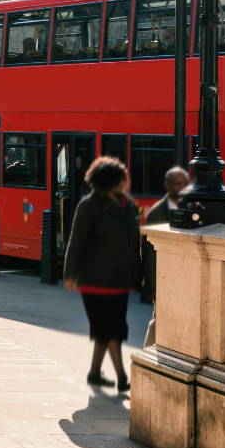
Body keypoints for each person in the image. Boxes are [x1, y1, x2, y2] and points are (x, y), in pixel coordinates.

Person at [62, 156, 141, 394]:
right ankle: (122, 377)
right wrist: (69, 274)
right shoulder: (89, 205)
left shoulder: (128, 205)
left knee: (105, 330)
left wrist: (138, 272)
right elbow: (77, 240)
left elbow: (133, 241)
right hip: (95, 280)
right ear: (109, 181)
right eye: (122, 178)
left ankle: (95, 373)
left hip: (120, 280)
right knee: (112, 329)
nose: (126, 181)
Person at [140, 166, 189, 343]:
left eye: (184, 183)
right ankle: (147, 352)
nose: (181, 187)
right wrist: (152, 285)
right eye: (177, 183)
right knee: (160, 318)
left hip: (183, 276)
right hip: (163, 277)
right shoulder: (157, 212)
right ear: (167, 185)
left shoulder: (190, 208)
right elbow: (148, 250)